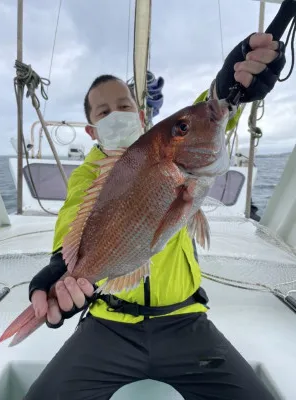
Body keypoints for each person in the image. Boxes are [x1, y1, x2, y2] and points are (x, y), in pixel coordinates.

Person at [24, 33, 286, 400]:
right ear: (91, 129)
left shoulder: (162, 149)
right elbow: (74, 217)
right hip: (108, 323)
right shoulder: (89, 173)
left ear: (142, 113)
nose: (115, 114)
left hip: (185, 321)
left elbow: (200, 120)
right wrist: (60, 266)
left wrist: (230, 87)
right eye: (103, 112)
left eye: (125, 106)